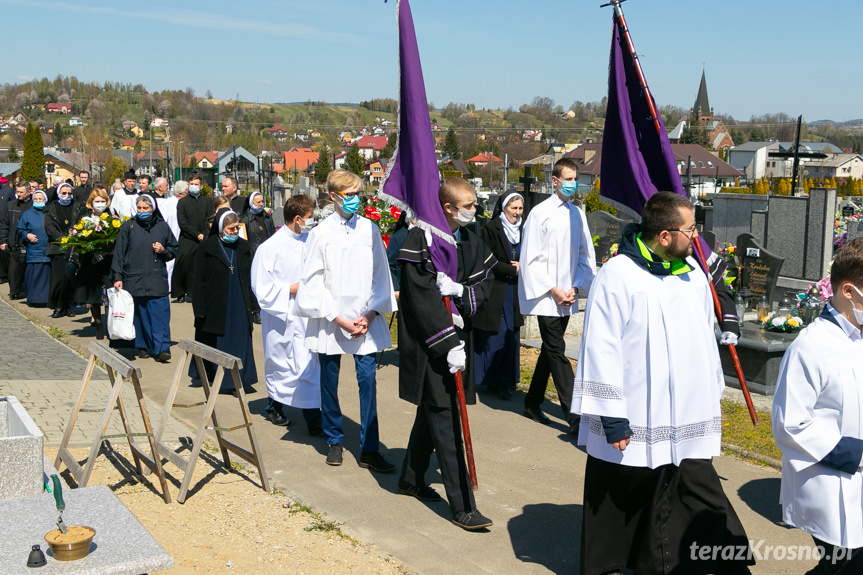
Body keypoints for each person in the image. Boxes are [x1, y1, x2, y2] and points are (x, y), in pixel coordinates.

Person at [572, 191, 752, 575]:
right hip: (632, 409)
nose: (697, 237)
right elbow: (601, 347)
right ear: (666, 235)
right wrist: (612, 416)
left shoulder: (692, 276)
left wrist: (710, 393)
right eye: (690, 229)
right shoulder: (618, 275)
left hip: (681, 412)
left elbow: (704, 340)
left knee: (672, 490)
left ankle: (666, 562)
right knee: (618, 492)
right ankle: (608, 566)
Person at [396, 177, 497, 530]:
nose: (474, 210)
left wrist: (461, 291)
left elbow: (486, 281)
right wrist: (446, 343)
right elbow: (420, 300)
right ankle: (463, 506)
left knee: (433, 412)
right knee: (447, 419)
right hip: (433, 346)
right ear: (449, 208)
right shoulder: (421, 240)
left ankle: (410, 477)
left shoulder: (470, 237)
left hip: (460, 339)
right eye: (468, 205)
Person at [295, 169, 396, 472]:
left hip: (365, 319)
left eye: (357, 194)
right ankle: (334, 439)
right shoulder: (321, 234)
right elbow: (312, 282)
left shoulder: (370, 230)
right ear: (333, 196)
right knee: (329, 381)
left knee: (368, 381)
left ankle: (369, 448)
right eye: (348, 195)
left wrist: (370, 313)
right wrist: (337, 318)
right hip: (333, 320)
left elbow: (381, 275)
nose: (354, 200)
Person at [773, 238, 863, 575]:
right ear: (849, 291)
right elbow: (790, 425)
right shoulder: (811, 347)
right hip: (832, 486)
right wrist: (856, 453)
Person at [518, 158, 595, 431]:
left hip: (568, 295)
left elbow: (585, 254)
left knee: (550, 351)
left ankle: (532, 401)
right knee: (558, 351)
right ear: (555, 180)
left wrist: (576, 286)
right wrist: (553, 289)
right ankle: (575, 417)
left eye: (576, 178)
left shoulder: (578, 214)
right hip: (547, 296)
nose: (573, 183)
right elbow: (530, 258)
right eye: (568, 178)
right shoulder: (540, 213)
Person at [251, 195, 321, 430]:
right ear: (298, 218)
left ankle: (313, 417)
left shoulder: (311, 241)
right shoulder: (269, 248)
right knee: (282, 364)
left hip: (308, 313)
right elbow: (261, 287)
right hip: (283, 316)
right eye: (311, 217)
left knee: (310, 364)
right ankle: (274, 406)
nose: (314, 222)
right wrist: (291, 289)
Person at [190, 210, 258, 393]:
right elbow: (198, 280)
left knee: (241, 341)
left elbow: (250, 277)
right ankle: (219, 378)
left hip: (239, 300)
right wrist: (199, 307)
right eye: (230, 229)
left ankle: (240, 380)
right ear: (220, 228)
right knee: (218, 342)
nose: (235, 231)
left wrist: (253, 304)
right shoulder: (207, 247)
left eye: (237, 228)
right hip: (216, 304)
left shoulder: (244, 247)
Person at [111, 194, 178, 362]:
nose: (142, 211)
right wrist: (118, 276)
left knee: (159, 314)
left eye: (145, 208)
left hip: (156, 278)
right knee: (139, 316)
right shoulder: (129, 226)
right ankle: (143, 346)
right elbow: (119, 254)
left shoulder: (162, 227)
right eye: (139, 208)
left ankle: (162, 348)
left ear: (152, 209)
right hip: (134, 277)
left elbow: (174, 248)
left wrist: (163, 250)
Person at [472, 191, 524, 399]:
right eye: (514, 208)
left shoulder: (525, 229)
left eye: (520, 208)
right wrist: (511, 270)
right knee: (497, 335)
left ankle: (508, 380)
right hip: (497, 289)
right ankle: (493, 380)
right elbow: (488, 259)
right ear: (503, 208)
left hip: (515, 291)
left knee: (512, 335)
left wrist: (524, 267)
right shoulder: (490, 229)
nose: (517, 213)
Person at [74, 186, 115, 339]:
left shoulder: (111, 215)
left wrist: (109, 250)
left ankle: (110, 325)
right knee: (94, 295)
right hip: (90, 261)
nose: (100, 204)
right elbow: (78, 236)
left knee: (109, 294)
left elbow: (115, 235)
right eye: (97, 201)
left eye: (103, 201)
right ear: (91, 202)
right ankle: (98, 323)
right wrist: (92, 250)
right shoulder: (84, 215)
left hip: (108, 261)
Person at [173, 174, 213, 303]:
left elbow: (210, 219)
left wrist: (204, 234)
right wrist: (197, 234)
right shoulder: (182, 202)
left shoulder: (207, 201)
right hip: (188, 238)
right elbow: (182, 222)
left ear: (201, 187)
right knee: (183, 262)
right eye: (191, 184)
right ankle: (180, 292)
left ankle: (197, 292)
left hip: (204, 237)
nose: (193, 186)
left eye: (196, 184)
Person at [44, 182, 83, 318]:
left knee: (70, 278)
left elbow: (81, 224)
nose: (66, 196)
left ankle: (68, 306)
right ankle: (58, 306)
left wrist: (72, 237)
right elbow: (49, 228)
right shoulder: (51, 208)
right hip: (57, 247)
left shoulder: (78, 207)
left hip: (73, 247)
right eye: (64, 193)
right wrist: (62, 239)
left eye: (69, 193)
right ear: (58, 193)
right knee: (59, 280)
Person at [240, 191, 274, 325]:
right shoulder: (245, 219)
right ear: (251, 203)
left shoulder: (267, 217)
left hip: (267, 254)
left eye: (262, 202)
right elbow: (244, 240)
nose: (261, 204)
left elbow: (271, 234)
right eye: (258, 202)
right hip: (253, 254)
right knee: (254, 283)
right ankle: (255, 310)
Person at [16, 190, 50, 307]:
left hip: (47, 250)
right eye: (35, 199)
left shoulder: (49, 213)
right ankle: (34, 299)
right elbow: (20, 230)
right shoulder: (27, 214)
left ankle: (45, 299)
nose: (38, 201)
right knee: (33, 276)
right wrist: (27, 235)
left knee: (46, 277)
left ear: (45, 200)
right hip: (34, 251)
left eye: (40, 199)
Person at [0, 182, 32, 298]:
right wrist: (3, 241)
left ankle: (27, 290)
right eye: (17, 192)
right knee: (13, 270)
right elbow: (4, 224)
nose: (18, 194)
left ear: (29, 192)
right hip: (14, 242)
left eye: (21, 192)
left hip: (29, 242)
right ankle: (14, 291)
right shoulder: (10, 205)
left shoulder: (33, 205)